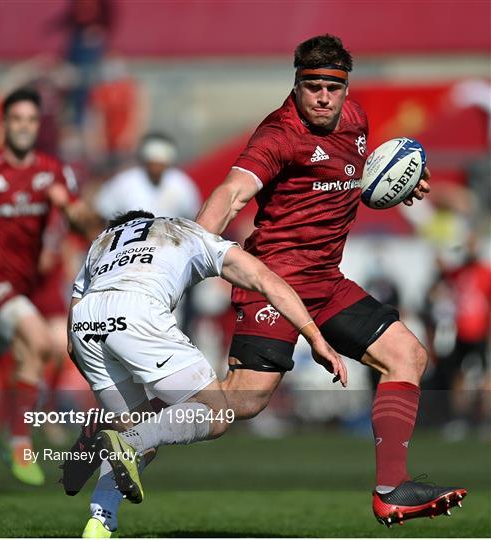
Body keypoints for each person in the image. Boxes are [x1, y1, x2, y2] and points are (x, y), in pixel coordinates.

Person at [195, 34, 466, 526]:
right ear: (296, 85)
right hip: (274, 282)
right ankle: (128, 425)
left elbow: (350, 178)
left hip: (326, 281)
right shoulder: (278, 135)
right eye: (311, 85)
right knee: (242, 402)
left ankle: (392, 491)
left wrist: (404, 182)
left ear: (346, 87)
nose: (322, 96)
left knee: (407, 355)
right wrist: (189, 250)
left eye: (331, 87)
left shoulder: (357, 120)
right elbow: (232, 193)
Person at [67, 210, 345, 537]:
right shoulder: (185, 231)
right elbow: (265, 280)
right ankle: (128, 440)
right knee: (218, 412)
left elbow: (71, 343)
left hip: (84, 325)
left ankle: (99, 523)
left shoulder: (100, 244)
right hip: (138, 308)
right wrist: (315, 337)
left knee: (143, 441)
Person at [0, 87, 98, 486]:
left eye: (30, 120)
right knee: (39, 340)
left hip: (21, 288)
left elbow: (85, 222)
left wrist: (69, 206)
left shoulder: (52, 170)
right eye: (16, 120)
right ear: (4, 124)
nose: (23, 127)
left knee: (32, 348)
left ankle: (13, 437)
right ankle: (18, 441)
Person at [94, 132, 201, 222]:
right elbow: (103, 212)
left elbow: (192, 217)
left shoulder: (181, 184)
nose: (156, 169)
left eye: (160, 164)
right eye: (153, 163)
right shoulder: (124, 183)